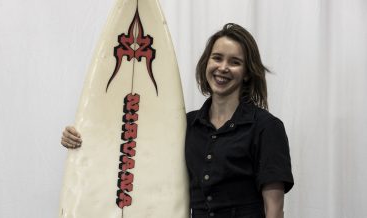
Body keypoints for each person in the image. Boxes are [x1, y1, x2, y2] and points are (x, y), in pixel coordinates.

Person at [61, 23, 293, 218]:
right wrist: (83, 137)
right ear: (206, 63)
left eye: (234, 62)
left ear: (247, 73)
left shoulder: (266, 127)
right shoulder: (185, 125)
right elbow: (132, 145)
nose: (223, 68)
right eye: (217, 58)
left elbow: (274, 209)